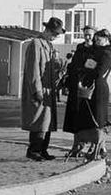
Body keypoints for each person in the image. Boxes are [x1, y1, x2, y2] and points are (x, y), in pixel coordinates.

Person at [21, 17, 65, 161]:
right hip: (39, 89)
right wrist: (37, 90)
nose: (55, 37)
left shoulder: (48, 45)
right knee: (38, 120)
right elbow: (33, 69)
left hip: (49, 89)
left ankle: (43, 149)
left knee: (47, 120)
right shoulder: (36, 44)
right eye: (54, 34)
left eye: (57, 35)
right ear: (47, 30)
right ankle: (34, 150)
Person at [63, 28, 111, 140]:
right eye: (95, 40)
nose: (96, 42)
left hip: (97, 87)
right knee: (87, 118)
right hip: (88, 86)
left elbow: (99, 72)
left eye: (98, 40)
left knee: (97, 118)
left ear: (106, 39)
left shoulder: (107, 53)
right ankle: (87, 143)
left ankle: (99, 145)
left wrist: (86, 68)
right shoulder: (91, 50)